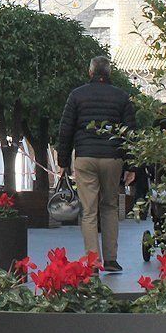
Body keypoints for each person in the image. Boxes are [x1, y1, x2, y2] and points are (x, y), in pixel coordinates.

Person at [58, 56, 137, 272]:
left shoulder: (77, 95)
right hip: (113, 158)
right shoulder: (122, 97)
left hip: (85, 157)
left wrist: (63, 161)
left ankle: (93, 261)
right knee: (110, 206)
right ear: (108, 73)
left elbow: (66, 129)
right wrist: (131, 166)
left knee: (89, 210)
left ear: (90, 72)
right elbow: (131, 132)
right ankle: (111, 259)